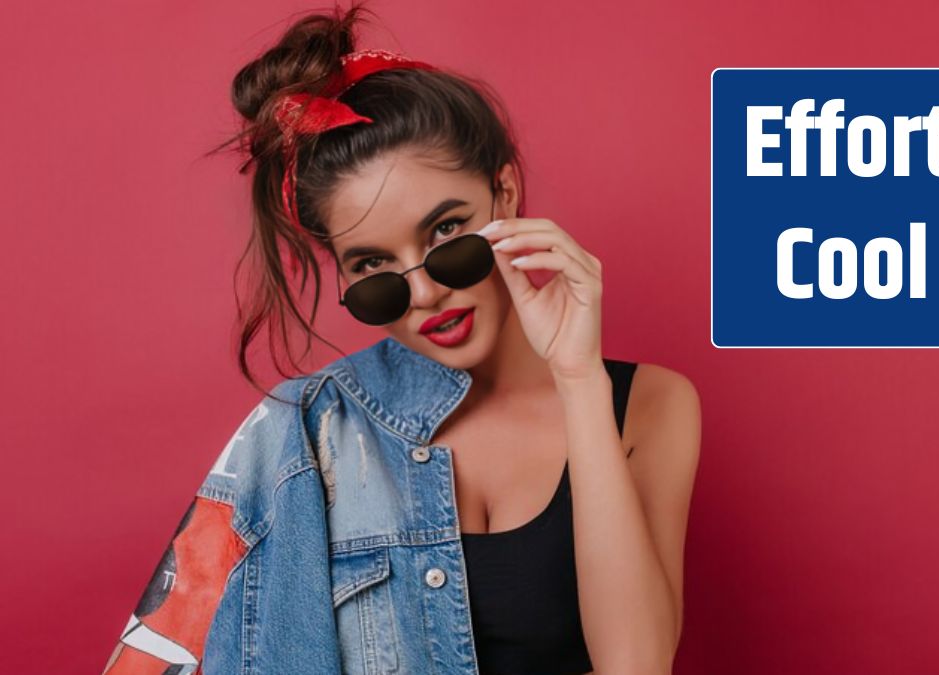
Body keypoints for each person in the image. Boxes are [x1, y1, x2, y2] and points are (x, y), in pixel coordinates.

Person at [101, 4, 701, 674]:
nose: (423, 294)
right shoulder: (302, 434)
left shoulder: (652, 404)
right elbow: (157, 653)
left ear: (504, 195)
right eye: (373, 268)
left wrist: (579, 378)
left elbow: (638, 663)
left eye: (446, 233)